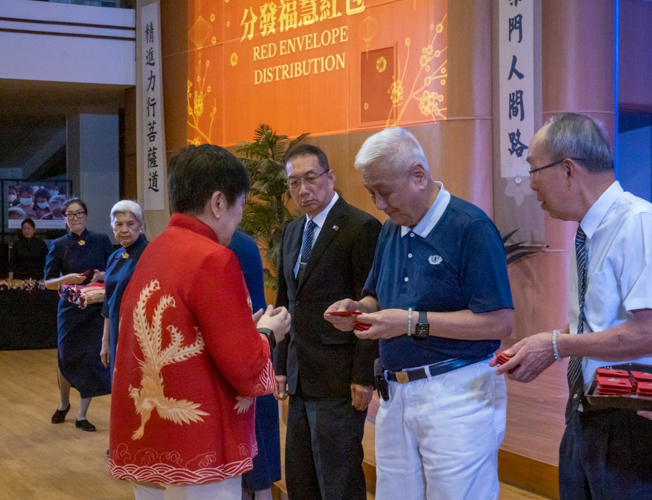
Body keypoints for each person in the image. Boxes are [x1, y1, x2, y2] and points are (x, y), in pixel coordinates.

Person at [325, 127, 513, 500]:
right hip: (396, 393)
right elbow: (377, 298)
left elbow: (499, 322)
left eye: (385, 192)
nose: (378, 204)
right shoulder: (392, 230)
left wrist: (411, 322)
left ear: (418, 175)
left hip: (459, 392)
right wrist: (358, 310)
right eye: (371, 193)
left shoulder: (470, 227)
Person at [108, 144, 291, 500]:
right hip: (199, 442)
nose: (238, 218)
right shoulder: (213, 258)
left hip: (150, 433)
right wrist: (268, 332)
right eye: (239, 207)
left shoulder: (155, 251)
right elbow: (243, 367)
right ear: (218, 203)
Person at [493, 113, 652, 500]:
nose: (530, 185)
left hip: (629, 420)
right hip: (583, 412)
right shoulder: (587, 231)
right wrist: (546, 345)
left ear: (567, 169)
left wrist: (556, 345)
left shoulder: (638, 224)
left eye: (533, 170)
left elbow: (646, 331)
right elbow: (601, 323)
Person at [274, 143, 381, 500]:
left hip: (340, 377)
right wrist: (280, 365)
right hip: (300, 375)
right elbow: (285, 302)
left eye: (310, 178)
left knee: (339, 479)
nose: (302, 190)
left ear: (330, 177)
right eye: (293, 183)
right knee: (301, 478)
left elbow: (371, 307)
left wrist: (364, 375)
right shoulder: (292, 232)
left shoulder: (360, 227)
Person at [44, 198, 114, 432]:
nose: (75, 218)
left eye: (79, 213)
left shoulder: (101, 240)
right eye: (70, 214)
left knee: (90, 357)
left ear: (86, 215)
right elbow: (48, 283)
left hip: (95, 308)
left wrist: (100, 276)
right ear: (64, 218)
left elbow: (113, 272)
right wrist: (67, 279)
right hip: (69, 308)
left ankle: (82, 415)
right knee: (65, 357)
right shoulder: (59, 244)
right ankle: (64, 403)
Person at [228, 230, 281, 500]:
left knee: (255, 459)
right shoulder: (241, 241)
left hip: (248, 350)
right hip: (255, 349)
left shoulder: (230, 243)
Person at [100, 200, 148, 381]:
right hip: (115, 332)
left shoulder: (150, 253)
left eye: (130, 224)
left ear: (141, 226)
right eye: (118, 224)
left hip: (139, 335)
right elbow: (108, 299)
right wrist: (105, 341)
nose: (124, 229)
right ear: (112, 227)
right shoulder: (114, 256)